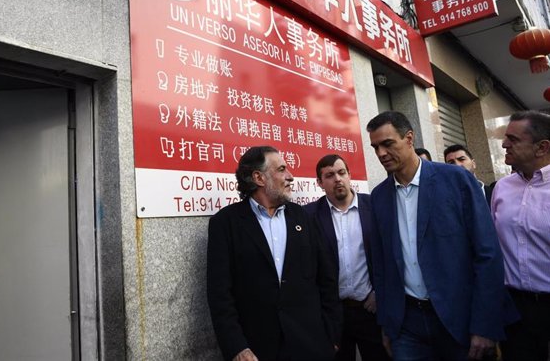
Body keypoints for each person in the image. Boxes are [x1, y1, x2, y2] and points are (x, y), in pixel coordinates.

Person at [366, 111, 509, 360]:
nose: (381, 154)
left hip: (458, 320)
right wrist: (387, 324)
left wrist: (485, 325)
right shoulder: (379, 196)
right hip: (406, 324)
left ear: (409, 138)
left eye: (388, 144)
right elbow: (382, 265)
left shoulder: (456, 180)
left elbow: (487, 254)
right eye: (375, 147)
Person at [207, 146, 342, 361]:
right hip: (258, 350)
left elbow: (327, 279)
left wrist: (332, 335)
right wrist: (236, 347)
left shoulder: (304, 218)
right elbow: (220, 294)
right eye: (281, 169)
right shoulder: (225, 224)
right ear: (259, 178)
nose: (290, 177)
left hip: (312, 346)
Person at [303, 154, 389, 361]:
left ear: (350, 175)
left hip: (371, 310)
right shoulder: (308, 216)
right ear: (320, 183)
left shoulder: (374, 206)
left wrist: (380, 292)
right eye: (330, 175)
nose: (338, 179)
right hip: (334, 314)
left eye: (342, 173)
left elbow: (389, 254)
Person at [492, 110, 550, 361]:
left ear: (542, 147)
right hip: (513, 308)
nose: (504, 144)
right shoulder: (502, 188)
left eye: (513, 139)